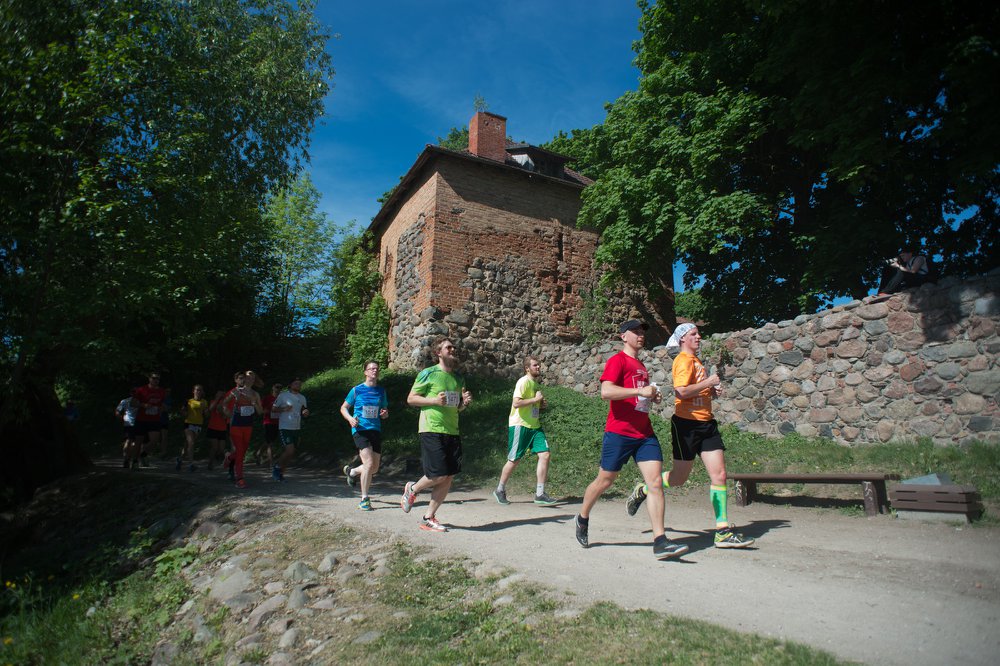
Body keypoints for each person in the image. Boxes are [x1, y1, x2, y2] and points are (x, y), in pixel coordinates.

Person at [624, 323, 754, 549]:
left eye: (698, 333)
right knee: (679, 478)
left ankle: (722, 530)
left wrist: (710, 391)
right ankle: (643, 489)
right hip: (686, 425)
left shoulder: (696, 362)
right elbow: (681, 392)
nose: (699, 336)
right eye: (694, 334)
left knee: (720, 475)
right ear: (683, 339)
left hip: (707, 423)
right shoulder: (682, 361)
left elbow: (694, 389)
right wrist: (709, 382)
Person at [575, 320, 688, 560]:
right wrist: (639, 391)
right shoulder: (617, 361)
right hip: (619, 433)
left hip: (644, 433)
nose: (640, 335)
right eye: (635, 332)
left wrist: (650, 397)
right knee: (605, 481)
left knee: (655, 483)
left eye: (642, 332)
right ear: (623, 336)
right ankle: (582, 517)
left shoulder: (641, 365)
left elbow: (639, 396)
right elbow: (606, 392)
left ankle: (660, 540)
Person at [400, 337, 473, 532]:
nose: (453, 349)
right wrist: (433, 401)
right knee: (438, 473)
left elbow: (456, 408)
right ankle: (412, 489)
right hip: (431, 428)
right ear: (438, 353)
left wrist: (463, 403)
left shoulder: (458, 378)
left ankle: (428, 517)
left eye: (453, 346)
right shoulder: (428, 373)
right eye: (448, 347)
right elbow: (411, 399)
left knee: (448, 476)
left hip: (452, 430)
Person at [493, 356, 557, 506]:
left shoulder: (534, 384)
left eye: (539, 365)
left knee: (545, 454)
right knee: (514, 460)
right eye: (535, 365)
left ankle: (540, 494)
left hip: (535, 426)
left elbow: (530, 405)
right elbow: (516, 403)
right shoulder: (523, 382)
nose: (538, 367)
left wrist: (540, 405)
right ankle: (500, 490)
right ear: (527, 368)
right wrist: (535, 401)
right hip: (520, 425)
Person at [341, 360, 389, 511]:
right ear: (365, 372)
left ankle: (352, 471)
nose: (375, 371)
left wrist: (384, 414)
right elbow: (343, 408)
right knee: (368, 464)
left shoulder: (381, 391)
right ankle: (364, 499)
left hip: (375, 429)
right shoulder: (356, 390)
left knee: (374, 468)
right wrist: (350, 419)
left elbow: (384, 411)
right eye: (371, 368)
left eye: (376, 369)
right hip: (360, 429)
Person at [222, 370, 263, 489]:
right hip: (236, 425)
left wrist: (254, 403)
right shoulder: (236, 391)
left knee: (242, 452)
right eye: (247, 377)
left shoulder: (255, 394)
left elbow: (260, 412)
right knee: (240, 451)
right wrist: (227, 411)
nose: (250, 379)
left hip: (248, 425)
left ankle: (229, 457)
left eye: (252, 377)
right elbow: (224, 403)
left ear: (254, 380)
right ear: (244, 378)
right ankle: (240, 479)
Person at [271, 378, 309, 482]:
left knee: (291, 453)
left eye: (299, 384)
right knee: (289, 450)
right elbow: (274, 409)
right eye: (295, 383)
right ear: (290, 385)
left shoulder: (302, 397)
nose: (298, 385)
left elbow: (303, 410)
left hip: (296, 427)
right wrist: (284, 409)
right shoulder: (283, 395)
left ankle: (281, 473)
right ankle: (277, 467)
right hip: (285, 426)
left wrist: (305, 412)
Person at [134, 373, 167, 466]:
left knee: (155, 440)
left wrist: (162, 408)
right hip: (141, 419)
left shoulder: (162, 391)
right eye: (154, 378)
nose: (156, 380)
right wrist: (143, 405)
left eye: (158, 378)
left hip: (154, 418)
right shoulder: (141, 390)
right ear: (149, 379)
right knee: (138, 441)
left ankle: (143, 454)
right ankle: (135, 461)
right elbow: (133, 403)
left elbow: (161, 404)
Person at [178, 385, 209, 472]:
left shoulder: (204, 402)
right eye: (197, 390)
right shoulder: (189, 401)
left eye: (200, 390)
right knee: (191, 443)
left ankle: (180, 459)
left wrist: (205, 410)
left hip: (198, 425)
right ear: (193, 391)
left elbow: (206, 415)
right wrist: (184, 412)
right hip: (189, 423)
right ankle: (191, 464)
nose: (198, 392)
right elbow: (182, 411)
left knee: (188, 444)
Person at [255, 383, 282, 467]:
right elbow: (260, 409)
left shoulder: (282, 398)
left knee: (269, 442)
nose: (278, 389)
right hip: (268, 422)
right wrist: (265, 411)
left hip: (278, 422)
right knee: (270, 443)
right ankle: (271, 462)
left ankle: (258, 453)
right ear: (272, 388)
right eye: (276, 387)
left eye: (280, 388)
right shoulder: (267, 398)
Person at [115, 391, 141, 469]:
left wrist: (121, 418)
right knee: (131, 441)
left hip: (137, 423)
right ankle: (128, 459)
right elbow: (117, 411)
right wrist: (122, 419)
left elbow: (117, 411)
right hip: (130, 423)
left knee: (131, 441)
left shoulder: (141, 401)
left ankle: (128, 459)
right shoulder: (125, 401)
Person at [205, 389, 229, 470]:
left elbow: (226, 416)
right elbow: (211, 409)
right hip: (213, 427)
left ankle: (218, 459)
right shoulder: (213, 401)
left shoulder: (225, 403)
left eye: (222, 394)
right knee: (214, 447)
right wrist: (217, 399)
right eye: (219, 393)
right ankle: (210, 463)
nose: (221, 394)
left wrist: (221, 411)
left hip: (222, 428)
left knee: (221, 449)